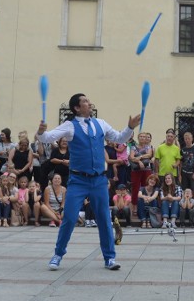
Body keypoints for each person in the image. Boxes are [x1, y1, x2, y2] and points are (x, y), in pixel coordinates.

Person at [36, 93, 140, 271]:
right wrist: (41, 132)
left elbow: (119, 138)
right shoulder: (69, 126)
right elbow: (47, 138)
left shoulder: (101, 123)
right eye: (85, 101)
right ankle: (58, 254)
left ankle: (109, 258)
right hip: (78, 180)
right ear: (77, 107)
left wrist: (130, 127)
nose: (89, 103)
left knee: (104, 219)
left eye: (88, 100)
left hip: (99, 179)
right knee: (69, 218)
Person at [128, 132, 153, 205]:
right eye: (141, 136)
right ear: (138, 138)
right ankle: (134, 205)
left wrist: (140, 157)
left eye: (144, 137)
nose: (142, 138)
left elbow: (149, 155)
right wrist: (139, 162)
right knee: (135, 188)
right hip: (136, 170)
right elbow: (132, 157)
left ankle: (145, 205)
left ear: (146, 138)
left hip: (146, 170)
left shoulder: (148, 147)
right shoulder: (133, 147)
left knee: (146, 187)